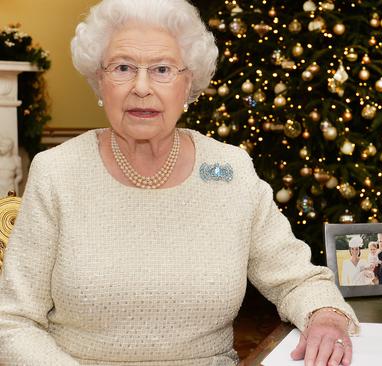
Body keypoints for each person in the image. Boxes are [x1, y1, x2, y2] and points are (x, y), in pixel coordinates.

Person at [0, 1, 359, 365]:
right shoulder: (57, 172)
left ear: (188, 84)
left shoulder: (228, 170)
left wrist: (325, 317)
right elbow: (12, 321)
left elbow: (298, 280)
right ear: (99, 80)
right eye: (123, 68)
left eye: (162, 69)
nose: (142, 87)